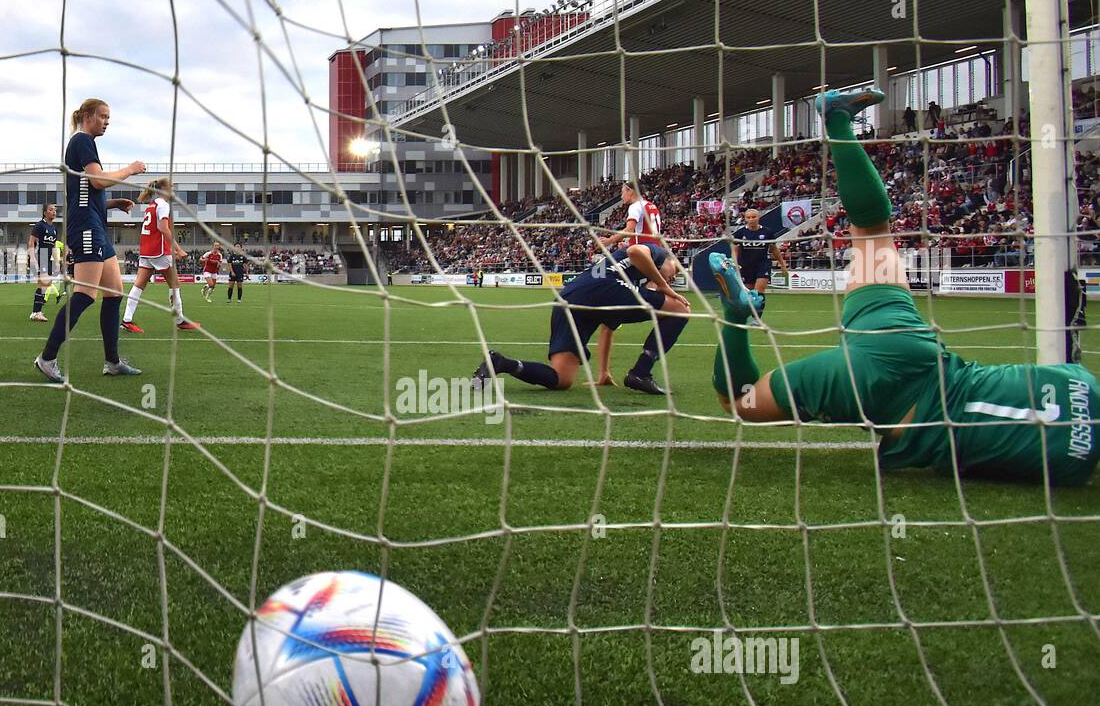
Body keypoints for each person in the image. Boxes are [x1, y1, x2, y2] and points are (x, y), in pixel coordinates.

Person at [709, 87, 1099, 485]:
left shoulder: (1078, 383)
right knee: (742, 403)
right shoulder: (1070, 467)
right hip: (873, 394)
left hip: (910, 346)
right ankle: (736, 317)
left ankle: (838, 119)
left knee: (872, 231)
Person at [471, 243, 689, 396]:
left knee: (561, 379)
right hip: (603, 288)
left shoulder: (631, 283)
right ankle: (641, 372)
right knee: (681, 309)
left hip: (570, 297)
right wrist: (663, 284)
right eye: (675, 271)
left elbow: (607, 329)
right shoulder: (658, 253)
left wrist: (603, 372)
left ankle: (501, 363)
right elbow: (635, 251)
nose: (673, 276)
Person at [33, 98, 144, 382]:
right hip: (86, 228)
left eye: (109, 117)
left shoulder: (83, 144)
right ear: (86, 116)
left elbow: (86, 192)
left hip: (93, 225)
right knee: (84, 295)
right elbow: (97, 181)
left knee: (115, 292)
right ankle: (47, 358)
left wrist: (112, 203)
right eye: (103, 116)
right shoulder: (82, 140)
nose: (107, 121)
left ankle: (113, 362)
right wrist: (130, 169)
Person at [121, 178, 198, 332]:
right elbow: (163, 228)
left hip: (146, 250)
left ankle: (126, 320)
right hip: (159, 251)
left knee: (139, 285)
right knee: (175, 284)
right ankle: (180, 320)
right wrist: (178, 249)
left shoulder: (152, 205)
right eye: (171, 187)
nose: (173, 189)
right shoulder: (163, 205)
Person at [730, 208, 790, 312]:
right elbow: (735, 251)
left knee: (758, 293)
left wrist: (783, 265)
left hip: (762, 265)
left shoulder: (767, 232)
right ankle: (748, 314)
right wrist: (734, 264)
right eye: (749, 217)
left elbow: (774, 250)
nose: (751, 219)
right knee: (748, 295)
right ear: (745, 219)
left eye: (754, 217)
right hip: (746, 266)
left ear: (758, 217)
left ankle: (756, 319)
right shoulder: (740, 233)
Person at [27, 203, 58, 322]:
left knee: (45, 285)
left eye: (55, 210)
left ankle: (36, 312)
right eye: (51, 210)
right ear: (45, 212)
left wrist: (56, 261)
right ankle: (37, 312)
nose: (54, 212)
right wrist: (33, 258)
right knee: (43, 284)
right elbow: (31, 242)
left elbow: (54, 246)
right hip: (41, 256)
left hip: (48, 257)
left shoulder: (54, 229)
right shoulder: (40, 226)